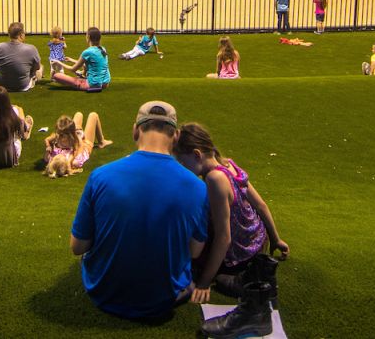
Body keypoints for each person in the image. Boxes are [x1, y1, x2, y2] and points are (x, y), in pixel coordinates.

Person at [70, 101, 208, 319]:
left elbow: (78, 246)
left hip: (104, 292)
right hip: (164, 296)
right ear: (176, 135)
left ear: (136, 130)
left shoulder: (100, 176)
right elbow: (194, 251)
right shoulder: (198, 187)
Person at [174, 123, 289, 304]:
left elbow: (223, 237)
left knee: (191, 245)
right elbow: (260, 205)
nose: (181, 167)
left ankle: (243, 278)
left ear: (197, 155)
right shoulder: (228, 163)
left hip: (240, 251)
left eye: (182, 161)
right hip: (258, 239)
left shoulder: (215, 178)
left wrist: (203, 283)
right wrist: (275, 239)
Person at [42, 111, 113, 178]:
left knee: (78, 114)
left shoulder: (51, 157)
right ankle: (102, 142)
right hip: (84, 145)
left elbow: (77, 149)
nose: (58, 136)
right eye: (59, 133)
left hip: (77, 140)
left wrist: (49, 147)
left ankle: (100, 140)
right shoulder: (75, 161)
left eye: (61, 135)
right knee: (93, 115)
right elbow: (80, 147)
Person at [0, 22, 42, 92]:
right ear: (21, 35)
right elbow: (37, 67)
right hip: (23, 86)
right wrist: (31, 73)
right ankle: (33, 79)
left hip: (2, 86)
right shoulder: (31, 48)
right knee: (40, 67)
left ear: (9, 35)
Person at [52, 27, 110, 92]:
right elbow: (91, 64)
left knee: (57, 75)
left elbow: (73, 69)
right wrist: (72, 60)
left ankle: (81, 81)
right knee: (83, 72)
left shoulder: (87, 52)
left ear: (88, 37)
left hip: (93, 84)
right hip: (105, 83)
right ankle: (82, 77)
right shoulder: (103, 49)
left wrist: (58, 62)